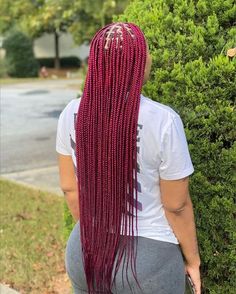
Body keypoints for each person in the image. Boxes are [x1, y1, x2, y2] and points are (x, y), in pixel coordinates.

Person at [56, 22, 201, 294]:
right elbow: (177, 205)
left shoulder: (72, 112)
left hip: (85, 250)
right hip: (148, 264)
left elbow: (69, 188)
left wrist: (93, 233)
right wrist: (193, 260)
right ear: (139, 62)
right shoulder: (163, 121)